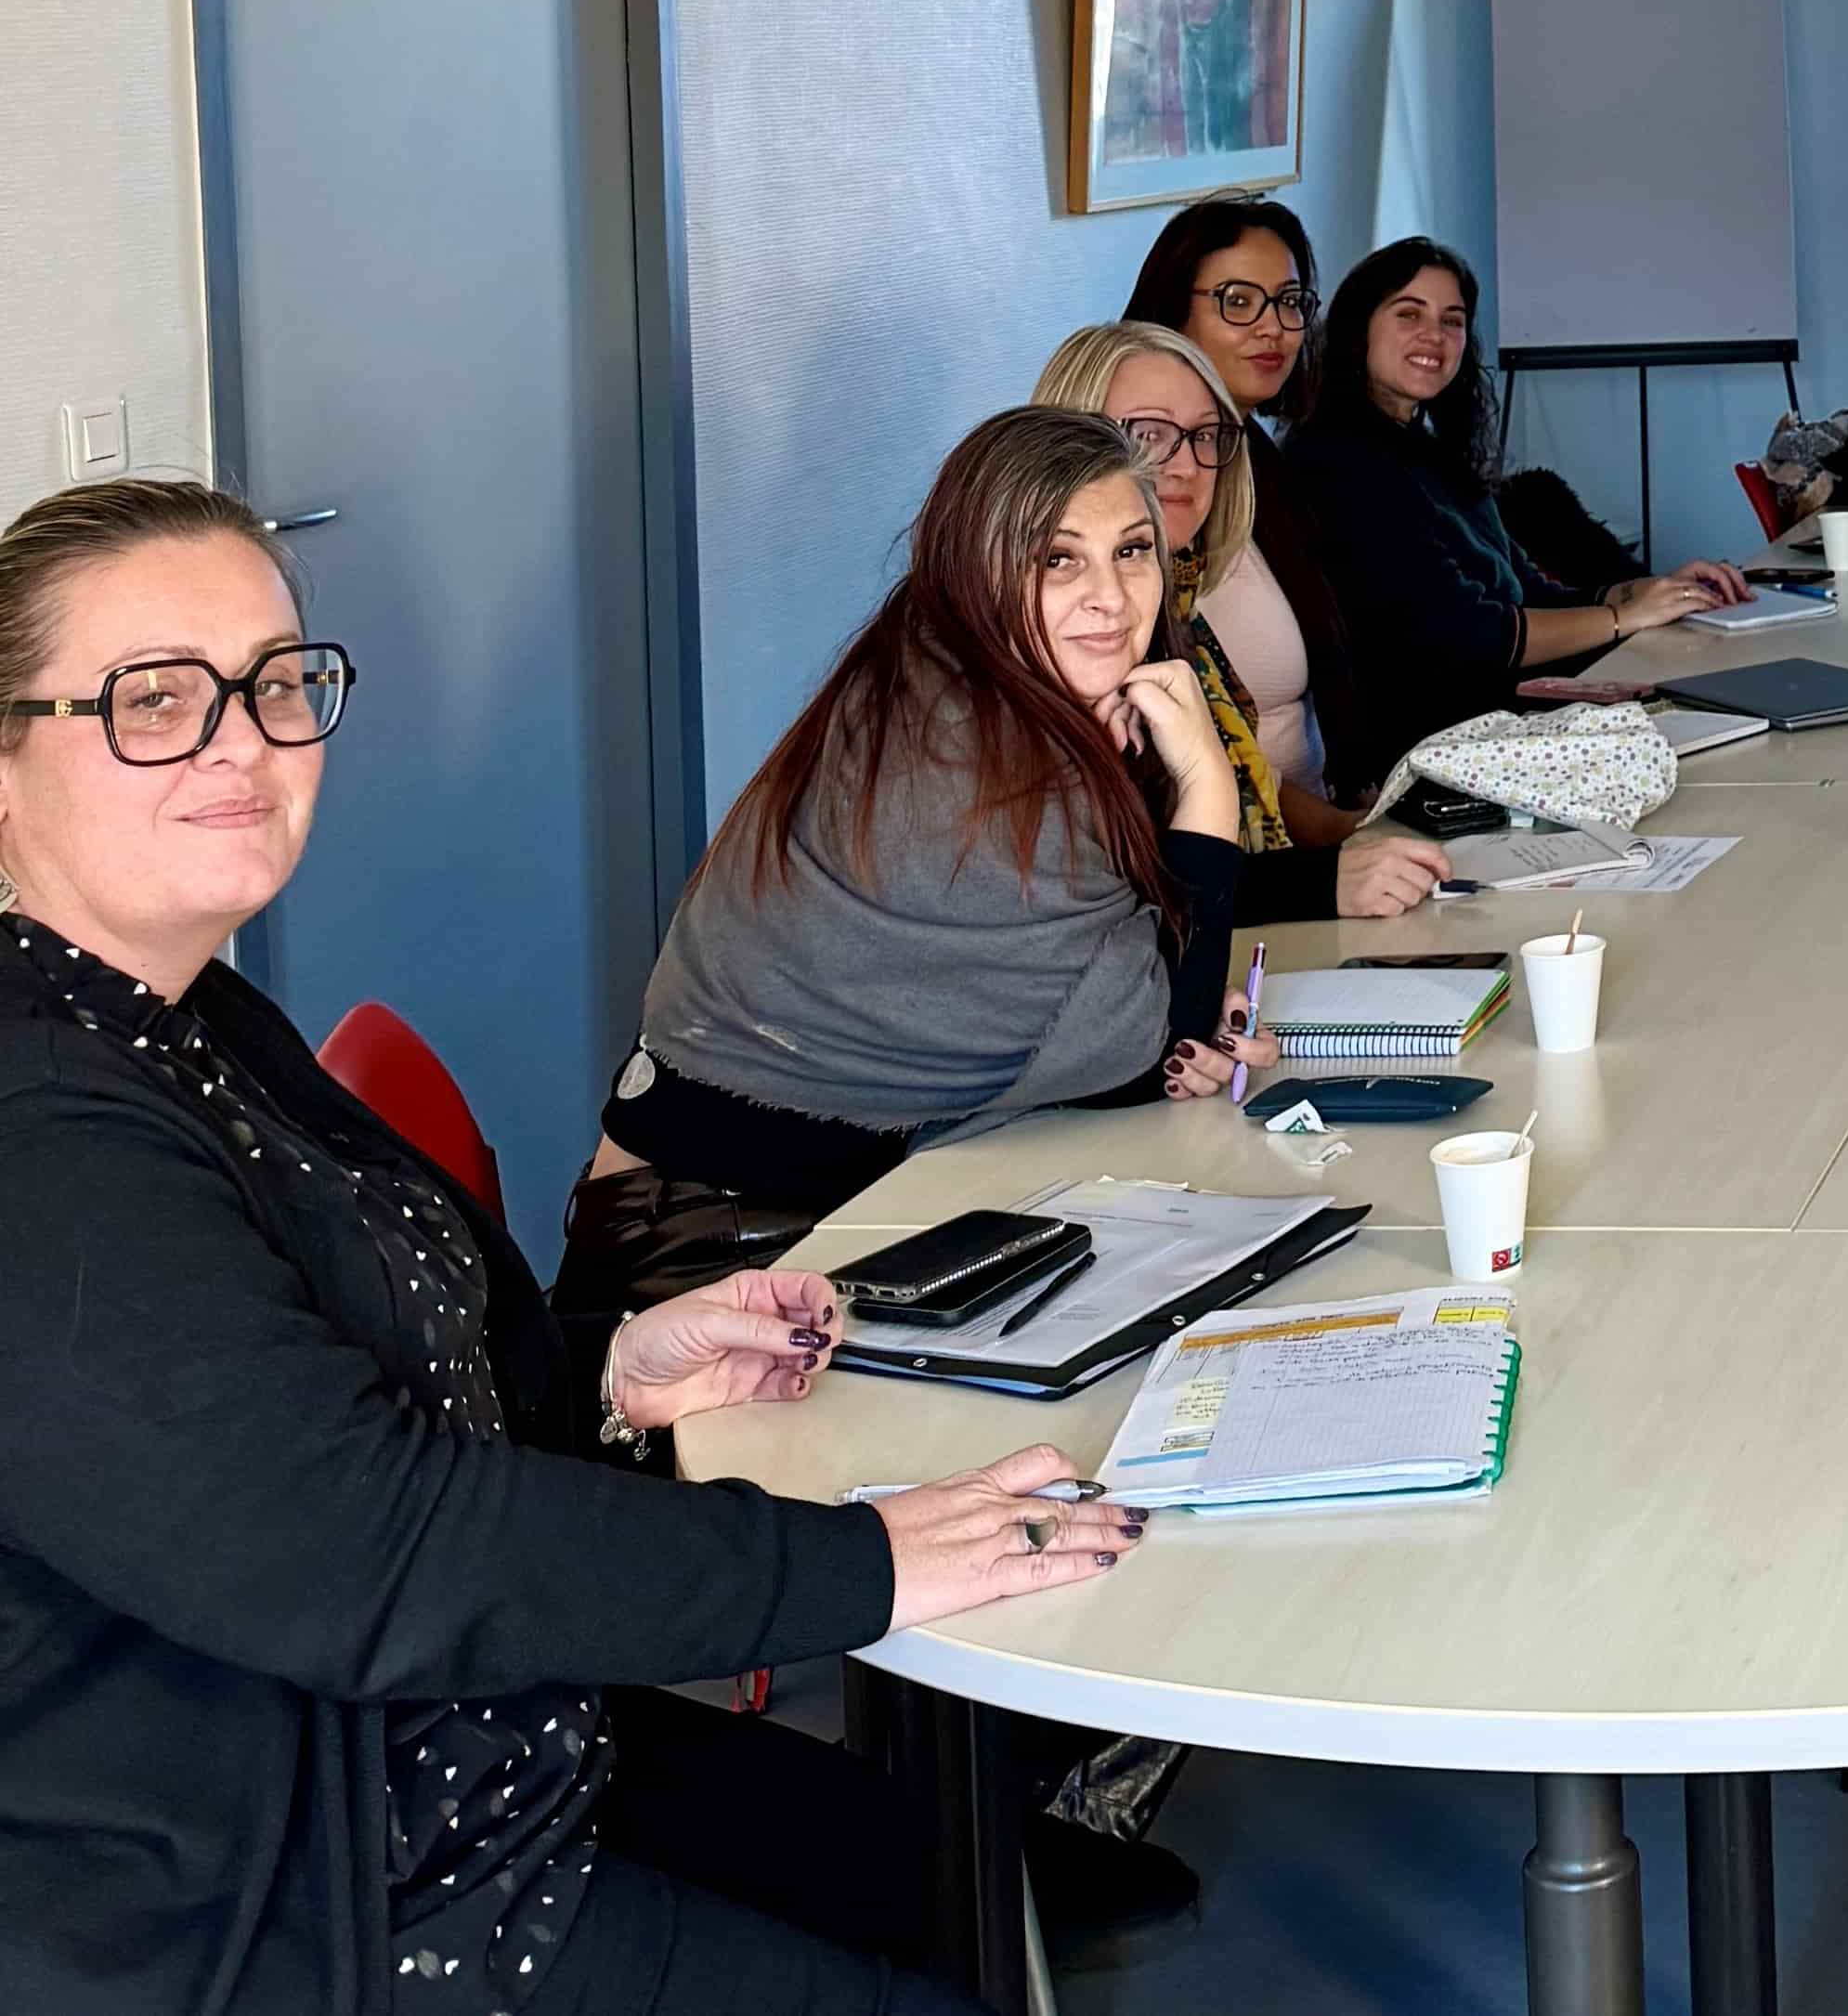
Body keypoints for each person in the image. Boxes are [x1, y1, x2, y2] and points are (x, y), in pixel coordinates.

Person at [0, 477, 1139, 2016]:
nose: (244, 741)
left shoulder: (187, 1011)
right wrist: (859, 1557)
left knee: (995, 1881)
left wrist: (611, 1374)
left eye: (276, 681)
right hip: (316, 1894)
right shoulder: (41, 1125)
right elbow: (366, 1551)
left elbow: (347, 1395)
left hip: (478, 1744)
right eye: (154, 697)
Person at [560, 407, 1256, 1318]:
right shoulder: (960, 753)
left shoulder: (960, 672)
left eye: (1133, 551)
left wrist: (1170, 1001)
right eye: (1056, 559)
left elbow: (1146, 1005)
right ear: (976, 572)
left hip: (816, 1194)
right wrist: (1207, 782)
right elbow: (1147, 1040)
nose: (1112, 598)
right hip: (702, 1240)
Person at [1282, 237, 1754, 786]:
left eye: (1452, 321)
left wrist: (1646, 593)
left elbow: (1530, 595)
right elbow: (1472, 634)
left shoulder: (1431, 452)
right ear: (1358, 325)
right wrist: (1621, 619)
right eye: (1409, 314)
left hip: (1501, 720)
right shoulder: (1337, 461)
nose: (1434, 336)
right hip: (1427, 757)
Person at [1029, 319, 1443, 927]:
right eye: (1146, 435)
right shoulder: (1070, 634)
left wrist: (1343, 835)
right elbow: (1120, 900)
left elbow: (1242, 785)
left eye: (1205, 436)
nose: (1183, 464)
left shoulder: (1179, 601)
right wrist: (1320, 883)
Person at [1119, 194, 1358, 822]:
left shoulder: (1264, 463)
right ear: (1172, 311)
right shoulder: (1145, 501)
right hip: (1258, 860)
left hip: (1324, 820)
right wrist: (1337, 838)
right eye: (1238, 301)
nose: (1272, 328)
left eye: (1289, 302)